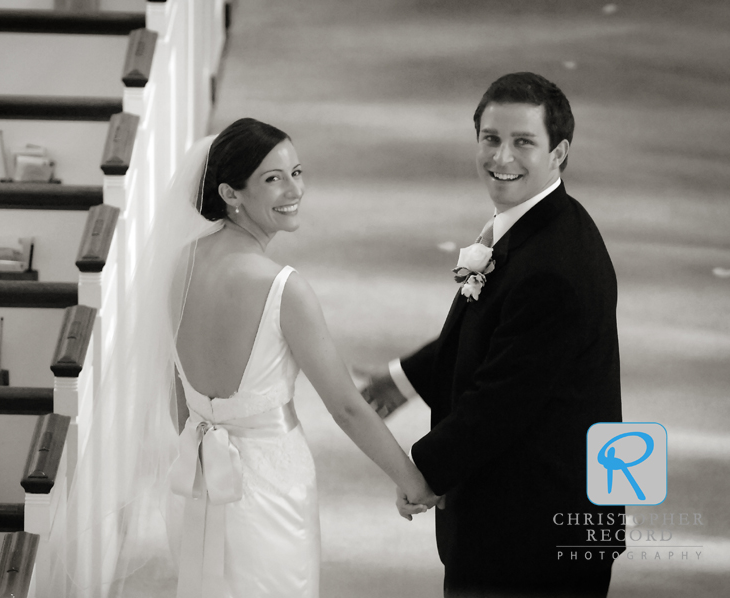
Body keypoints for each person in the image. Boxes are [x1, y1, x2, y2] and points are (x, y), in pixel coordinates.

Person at [361, 73, 625, 597]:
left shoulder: (554, 265)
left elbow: (500, 404)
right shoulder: (540, 225)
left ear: (559, 152)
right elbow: (496, 332)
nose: (502, 157)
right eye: (491, 138)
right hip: (526, 523)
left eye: (523, 141)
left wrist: (422, 472)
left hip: (533, 538)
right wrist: (402, 379)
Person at [164, 118, 442, 598]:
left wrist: (208, 450)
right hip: (269, 486)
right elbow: (346, 407)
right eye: (273, 179)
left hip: (198, 481)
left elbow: (177, 398)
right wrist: (412, 480)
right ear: (231, 193)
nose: (294, 189)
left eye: (297, 172)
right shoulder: (281, 287)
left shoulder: (181, 263)